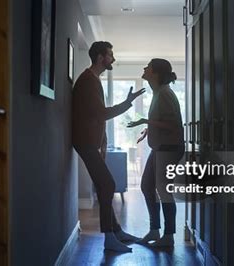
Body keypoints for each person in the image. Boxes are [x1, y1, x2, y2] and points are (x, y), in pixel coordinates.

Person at [72, 41, 145, 252]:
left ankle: (117, 232)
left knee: (105, 185)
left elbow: (95, 116)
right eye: (110, 55)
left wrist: (102, 142)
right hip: (84, 142)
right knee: (108, 185)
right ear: (100, 57)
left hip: (89, 143)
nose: (113, 59)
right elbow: (101, 114)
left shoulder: (93, 80)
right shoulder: (88, 81)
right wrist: (127, 102)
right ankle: (110, 239)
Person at [127, 58, 185, 247]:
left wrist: (146, 122)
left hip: (168, 149)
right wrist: (149, 130)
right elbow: (163, 121)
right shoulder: (159, 93)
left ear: (156, 73)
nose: (144, 68)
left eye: (148, 67)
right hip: (160, 148)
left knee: (163, 191)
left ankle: (168, 237)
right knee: (146, 186)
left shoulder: (165, 94)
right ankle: (154, 230)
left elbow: (174, 126)